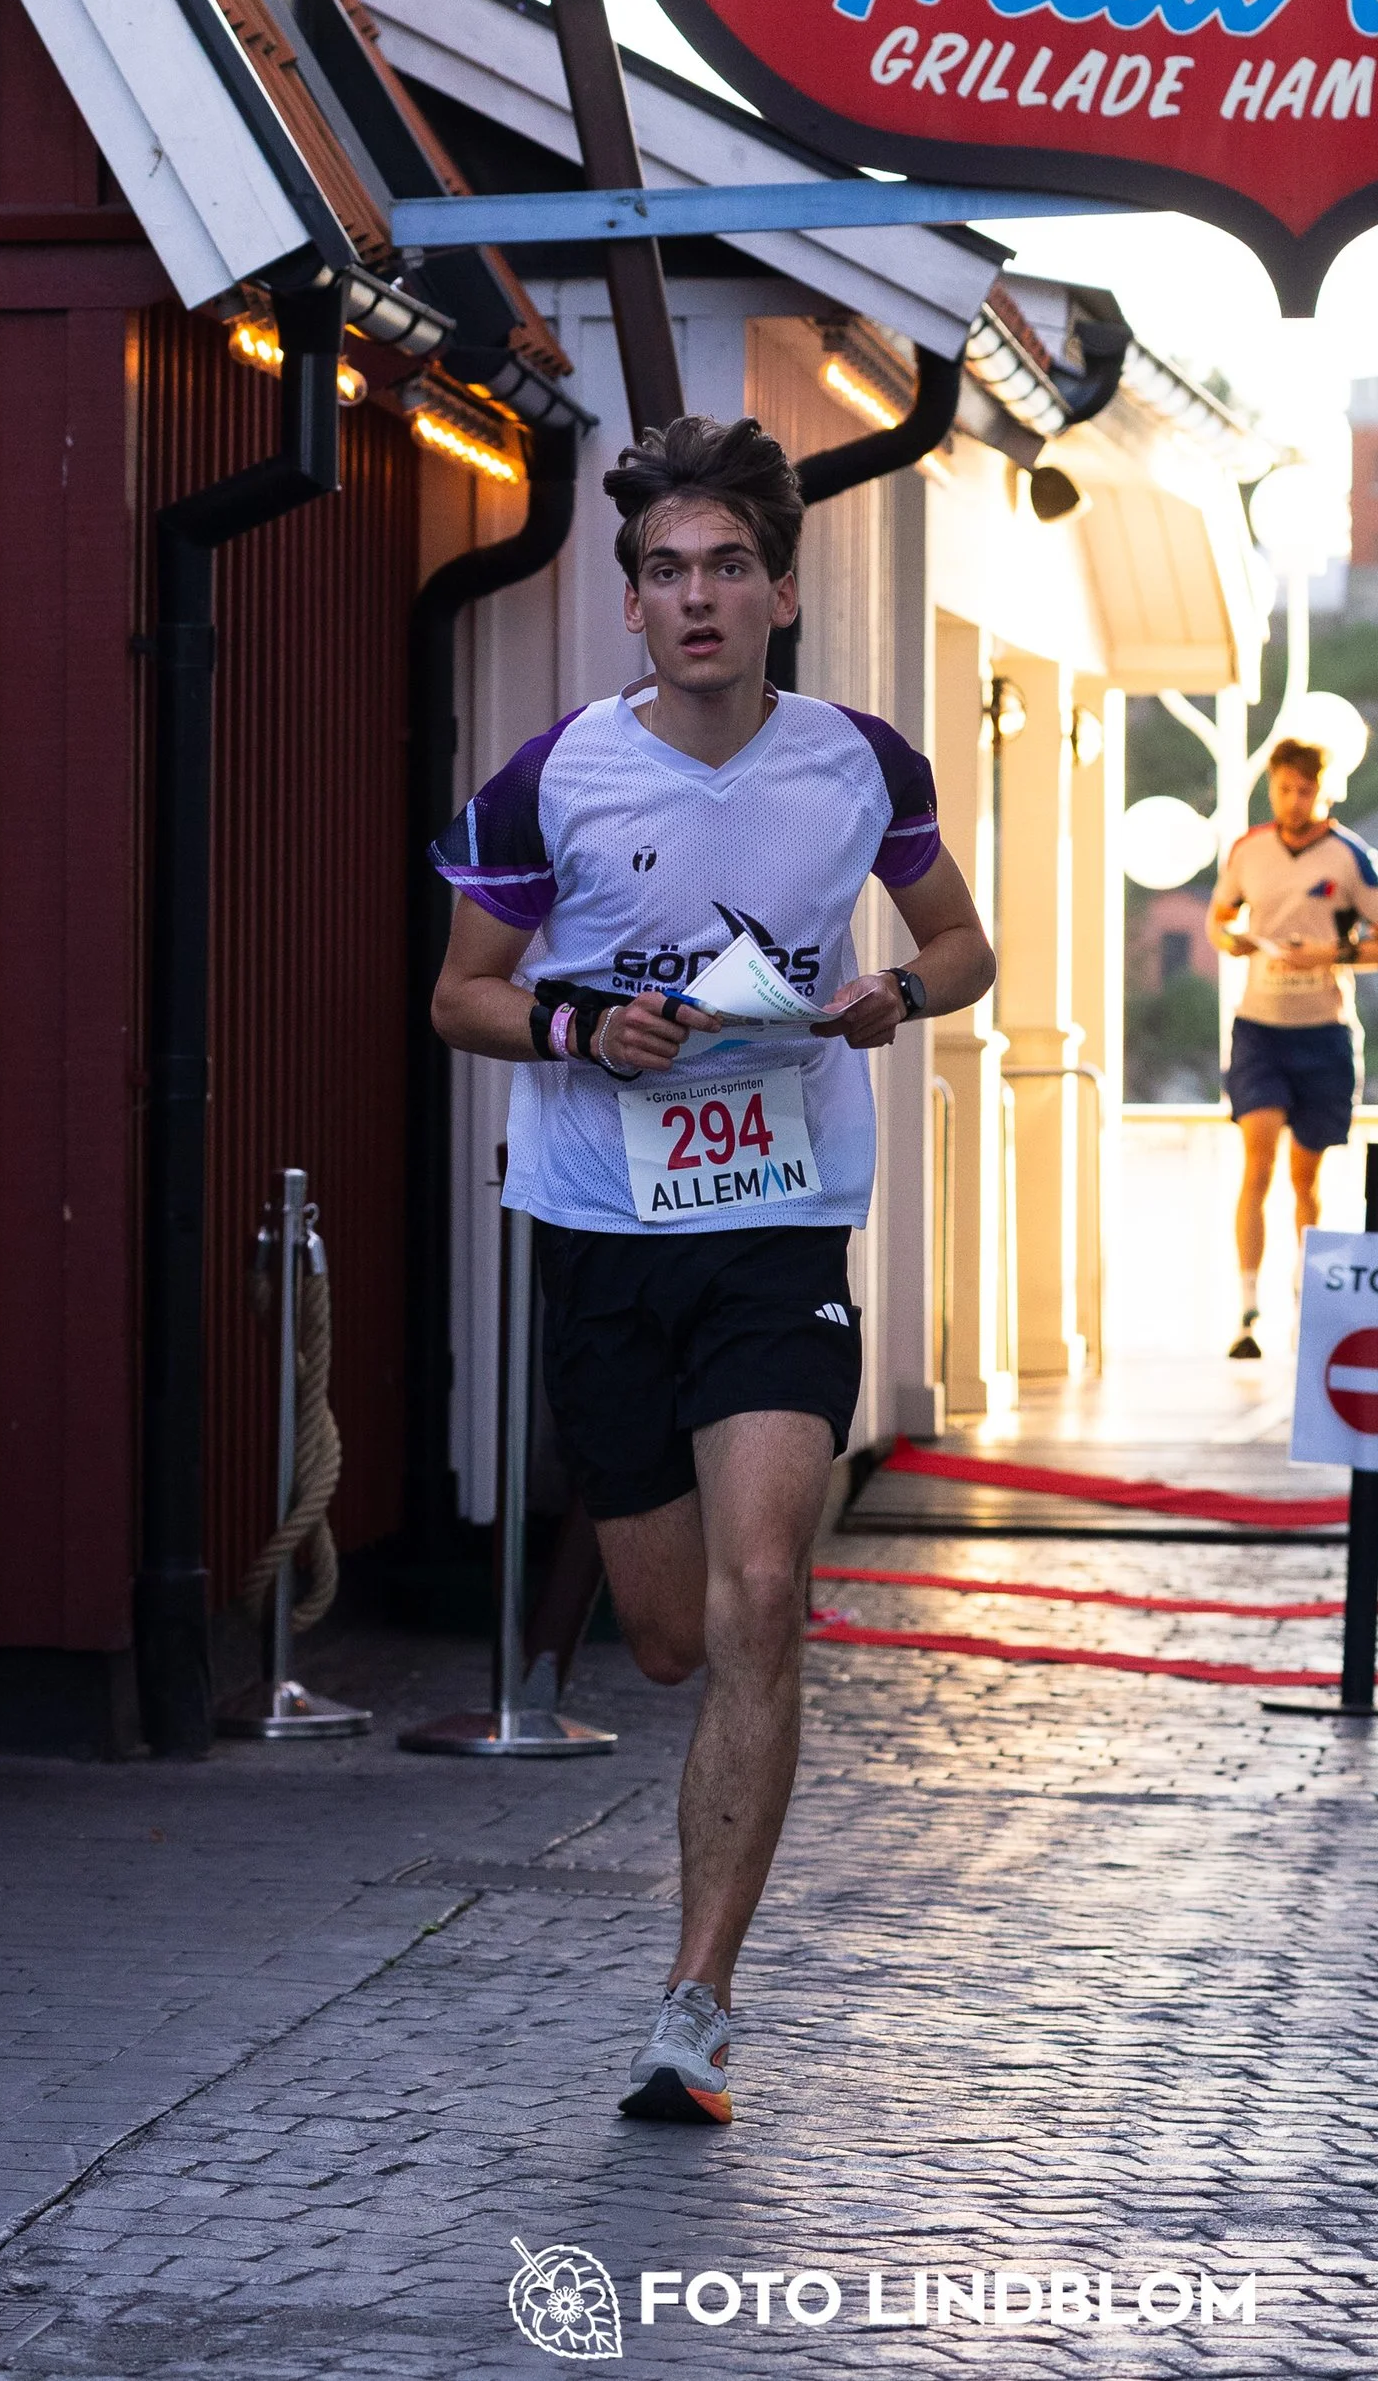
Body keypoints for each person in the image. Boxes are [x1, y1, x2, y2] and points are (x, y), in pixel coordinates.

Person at [428, 414, 994, 2126]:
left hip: (780, 1216)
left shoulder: (860, 763)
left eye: (728, 567)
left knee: (766, 1596)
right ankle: (693, 1948)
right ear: (629, 605)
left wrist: (904, 992)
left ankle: (696, 2002)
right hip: (605, 1229)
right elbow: (458, 997)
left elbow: (964, 940)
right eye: (666, 572)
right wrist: (582, 1024)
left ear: (779, 592)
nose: (698, 598)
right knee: (671, 1641)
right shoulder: (553, 781)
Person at [1205, 735, 1378, 1358]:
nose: (1294, 800)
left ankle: (1307, 1303)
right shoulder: (1248, 850)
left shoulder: (1353, 858)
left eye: (1306, 789)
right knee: (1257, 1161)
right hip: (1260, 1028)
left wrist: (1331, 953)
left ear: (1325, 790)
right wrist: (1231, 939)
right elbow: (1218, 918)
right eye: (1284, 788)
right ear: (1272, 787)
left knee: (1306, 1178)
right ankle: (1246, 1313)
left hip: (1324, 1032)